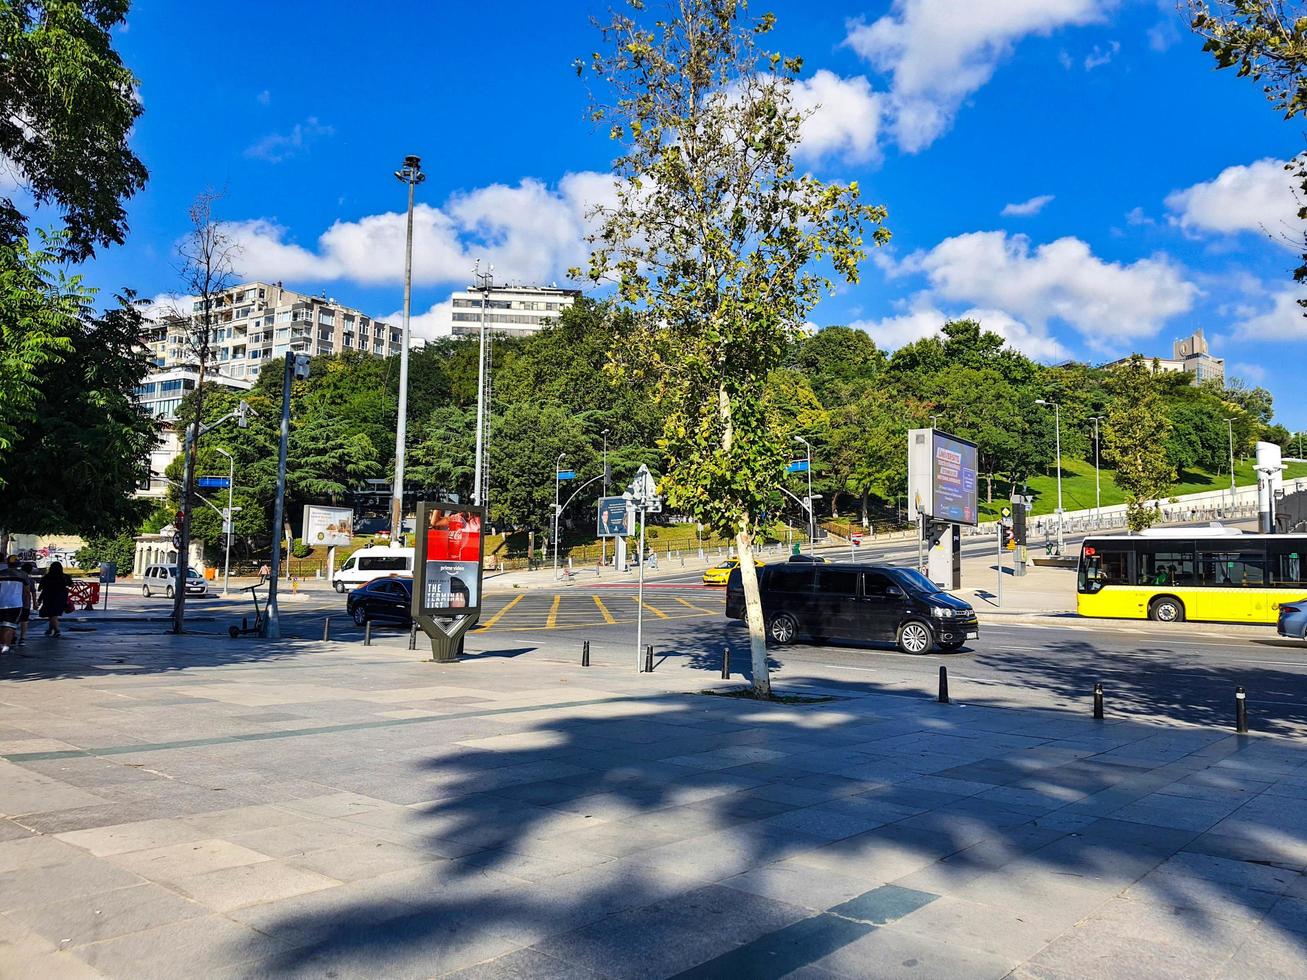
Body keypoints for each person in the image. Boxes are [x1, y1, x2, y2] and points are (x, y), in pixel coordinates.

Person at [0, 556, 36, 649]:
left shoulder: (1, 573)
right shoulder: (23, 575)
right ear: (18, 564)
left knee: (2, 626)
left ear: (7, 563)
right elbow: (27, 591)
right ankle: (6, 646)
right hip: (15, 603)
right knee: (10, 626)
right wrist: (28, 603)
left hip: (1, 602)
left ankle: (2, 644)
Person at [38, 561, 72, 637]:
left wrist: (39, 600)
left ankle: (56, 630)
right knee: (54, 614)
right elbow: (70, 584)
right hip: (61, 597)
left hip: (48, 596)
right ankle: (51, 629)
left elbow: (41, 588)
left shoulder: (47, 577)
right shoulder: (64, 576)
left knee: (52, 614)